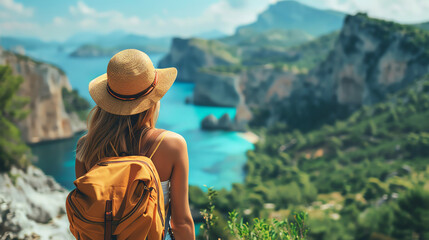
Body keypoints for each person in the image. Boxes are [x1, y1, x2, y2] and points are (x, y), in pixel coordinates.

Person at [74, 49, 195, 239]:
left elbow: (86, 215)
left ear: (107, 100)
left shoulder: (85, 146)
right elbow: (181, 223)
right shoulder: (171, 145)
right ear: (153, 100)